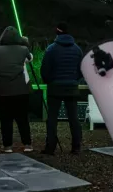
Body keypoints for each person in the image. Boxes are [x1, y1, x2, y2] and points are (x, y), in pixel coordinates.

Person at [0, 26, 34, 153]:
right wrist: (25, 43)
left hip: (1, 90)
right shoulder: (23, 50)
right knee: (23, 118)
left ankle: (7, 146)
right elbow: (30, 59)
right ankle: (27, 144)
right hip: (22, 89)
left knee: (5, 119)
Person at [40, 22, 84, 155]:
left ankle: (50, 147)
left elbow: (45, 69)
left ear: (57, 32)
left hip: (55, 87)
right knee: (73, 118)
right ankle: (76, 146)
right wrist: (74, 79)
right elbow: (81, 69)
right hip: (71, 87)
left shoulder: (51, 49)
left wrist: (49, 81)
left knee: (52, 118)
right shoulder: (77, 49)